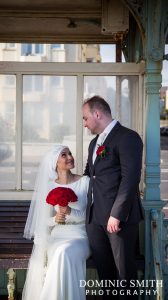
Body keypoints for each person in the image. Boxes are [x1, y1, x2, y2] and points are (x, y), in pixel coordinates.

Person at [83, 95, 143, 299]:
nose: (84, 124)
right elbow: (88, 176)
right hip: (95, 220)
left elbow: (131, 178)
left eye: (85, 118)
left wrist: (116, 214)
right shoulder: (93, 143)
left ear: (97, 114)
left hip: (120, 220)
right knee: (105, 276)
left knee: (125, 276)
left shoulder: (128, 137)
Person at [22, 145, 90, 300]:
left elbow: (91, 216)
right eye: (64, 155)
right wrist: (55, 219)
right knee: (60, 252)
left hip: (80, 236)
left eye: (70, 153)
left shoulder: (85, 182)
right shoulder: (50, 185)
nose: (70, 157)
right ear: (55, 163)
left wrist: (70, 212)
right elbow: (43, 220)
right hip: (57, 237)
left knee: (64, 252)